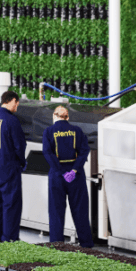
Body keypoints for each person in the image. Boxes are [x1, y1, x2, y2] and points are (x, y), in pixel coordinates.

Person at [42, 105, 93, 248]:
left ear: (54, 116)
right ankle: (86, 244)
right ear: (68, 117)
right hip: (76, 176)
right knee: (80, 210)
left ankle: (57, 244)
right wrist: (74, 170)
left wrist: (61, 172)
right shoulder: (77, 131)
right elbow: (84, 151)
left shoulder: (48, 131)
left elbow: (47, 153)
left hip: (57, 177)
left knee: (56, 211)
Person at [0, 91, 27, 243]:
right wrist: (22, 162)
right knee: (11, 204)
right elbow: (19, 145)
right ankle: (9, 239)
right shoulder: (11, 120)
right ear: (11, 101)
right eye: (17, 103)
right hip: (9, 167)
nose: (17, 106)